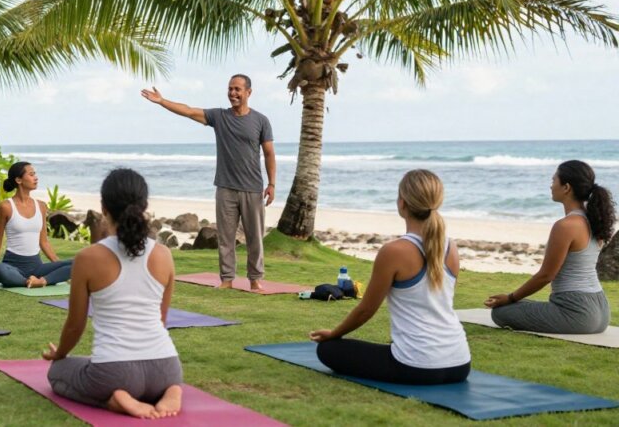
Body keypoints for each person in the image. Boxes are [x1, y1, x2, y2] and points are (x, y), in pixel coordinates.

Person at [42, 168, 183, 419]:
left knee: (57, 373)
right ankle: (171, 391)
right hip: (167, 367)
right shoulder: (164, 255)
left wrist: (60, 354)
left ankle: (115, 400)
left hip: (116, 373)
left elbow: (75, 325)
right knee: (92, 363)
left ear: (104, 208)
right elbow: (161, 320)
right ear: (145, 206)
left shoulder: (88, 257)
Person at [309, 170, 470, 385]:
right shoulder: (451, 247)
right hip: (460, 364)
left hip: (416, 367)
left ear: (402, 203)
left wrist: (333, 333)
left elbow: (366, 310)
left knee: (328, 349)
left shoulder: (394, 251)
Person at [142, 75, 276, 291]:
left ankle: (255, 279)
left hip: (252, 188)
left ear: (248, 93)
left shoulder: (261, 121)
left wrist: (272, 184)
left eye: (237, 89)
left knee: (255, 238)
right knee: (226, 238)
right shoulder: (219, 117)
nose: (233, 93)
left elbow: (269, 153)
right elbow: (189, 110)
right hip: (225, 188)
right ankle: (227, 280)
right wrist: (162, 101)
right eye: (230, 89)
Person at [485, 161, 614, 334]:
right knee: (520, 306)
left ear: (566, 187)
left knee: (500, 312)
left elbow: (546, 275)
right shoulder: (595, 220)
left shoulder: (566, 226)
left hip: (577, 312)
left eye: (554, 180)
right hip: (601, 310)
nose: (551, 185)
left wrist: (510, 297)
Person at [0, 162, 72, 288]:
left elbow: (44, 242)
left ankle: (40, 281)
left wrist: (59, 265)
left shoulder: (41, 206)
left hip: (37, 267)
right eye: (31, 174)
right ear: (18, 180)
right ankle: (31, 281)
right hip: (13, 266)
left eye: (35, 174)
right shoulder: (5, 207)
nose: (36, 178)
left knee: (79, 263)